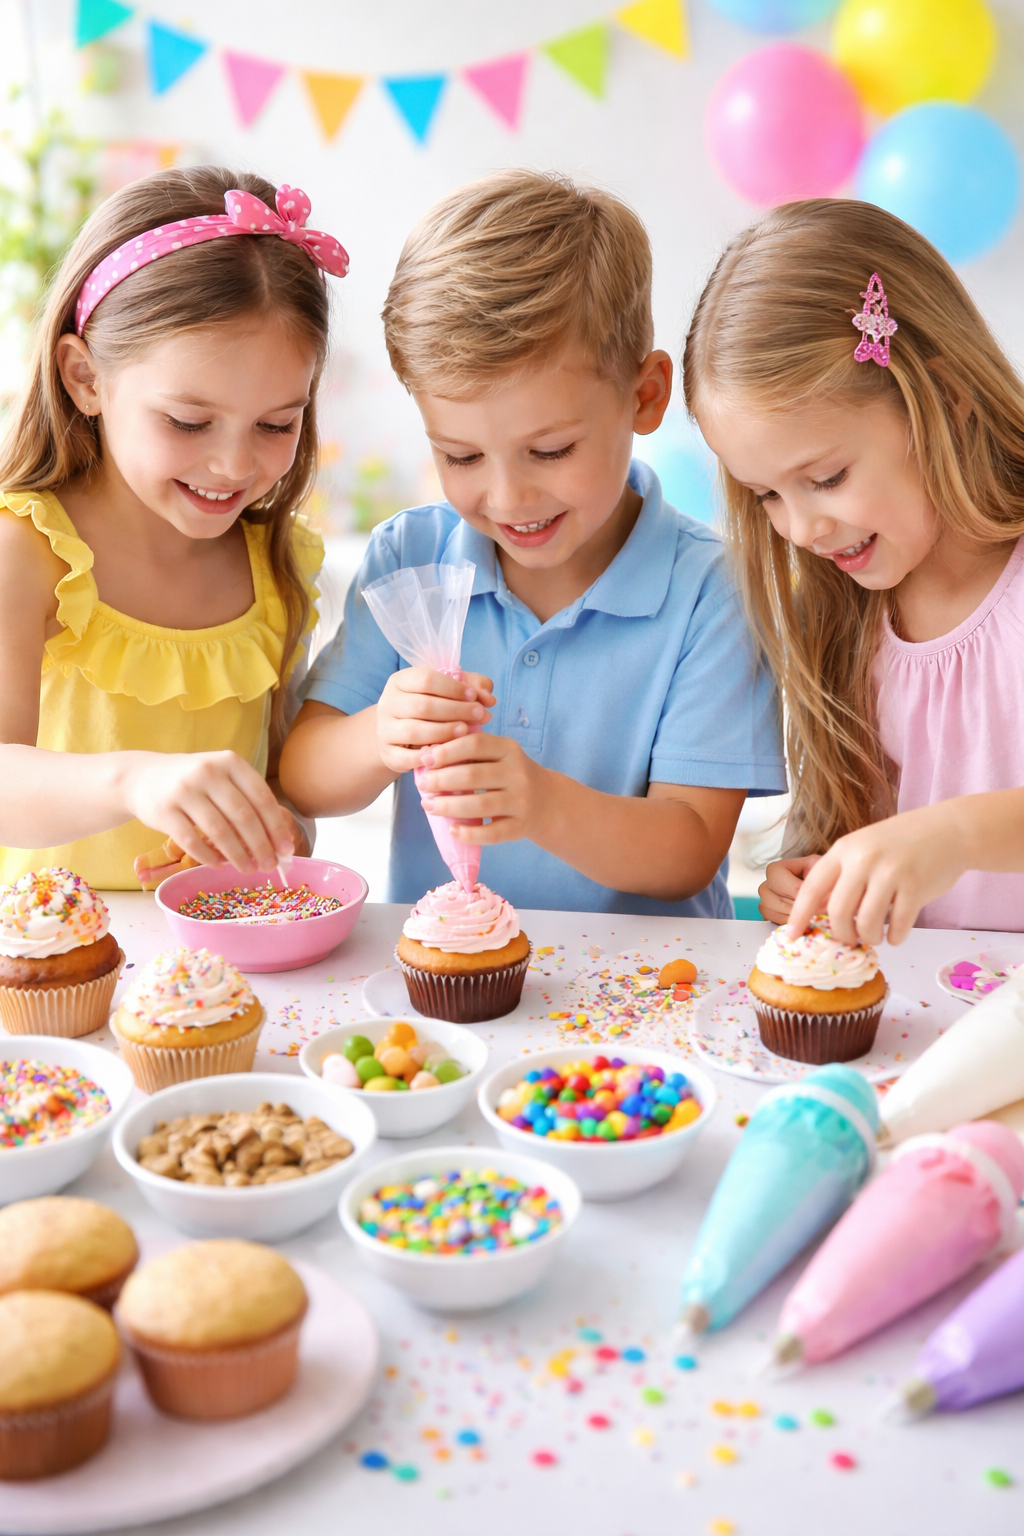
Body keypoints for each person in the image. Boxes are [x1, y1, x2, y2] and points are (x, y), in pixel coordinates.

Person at [280, 170, 786, 916]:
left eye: (549, 451)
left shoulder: (714, 590)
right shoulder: (410, 561)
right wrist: (378, 735)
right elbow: (302, 774)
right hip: (446, 986)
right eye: (460, 457)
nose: (508, 497)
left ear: (644, 397)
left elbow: (689, 850)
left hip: (646, 999)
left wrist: (544, 804)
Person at [682, 198, 1024, 943]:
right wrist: (822, 872)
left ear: (944, 399)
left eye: (827, 476)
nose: (802, 529)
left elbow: (942, 837)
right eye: (767, 493)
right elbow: (876, 836)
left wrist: (956, 834)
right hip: (930, 1015)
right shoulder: (851, 614)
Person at [0, 166, 349, 889]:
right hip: (49, 965)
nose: (232, 464)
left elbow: (283, 795)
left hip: (213, 966)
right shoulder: (26, 550)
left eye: (277, 423)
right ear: (85, 378)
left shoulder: (278, 562)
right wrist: (134, 782)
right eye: (188, 421)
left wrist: (271, 828)